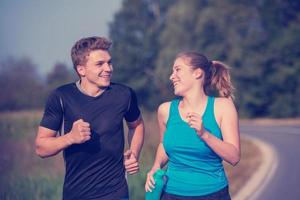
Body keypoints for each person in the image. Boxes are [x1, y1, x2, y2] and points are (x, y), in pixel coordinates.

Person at [35, 36, 145, 200]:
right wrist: (70, 138)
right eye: (100, 64)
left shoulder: (124, 94)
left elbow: (137, 125)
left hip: (116, 192)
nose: (108, 68)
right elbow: (41, 148)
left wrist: (134, 153)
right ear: (81, 70)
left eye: (109, 62)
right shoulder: (61, 97)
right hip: (77, 194)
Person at [145, 52, 240, 200]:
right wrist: (156, 167)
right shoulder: (165, 110)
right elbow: (164, 144)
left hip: (212, 194)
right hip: (171, 194)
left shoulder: (222, 107)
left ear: (197, 73)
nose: (172, 76)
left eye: (178, 69)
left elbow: (234, 157)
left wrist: (205, 135)